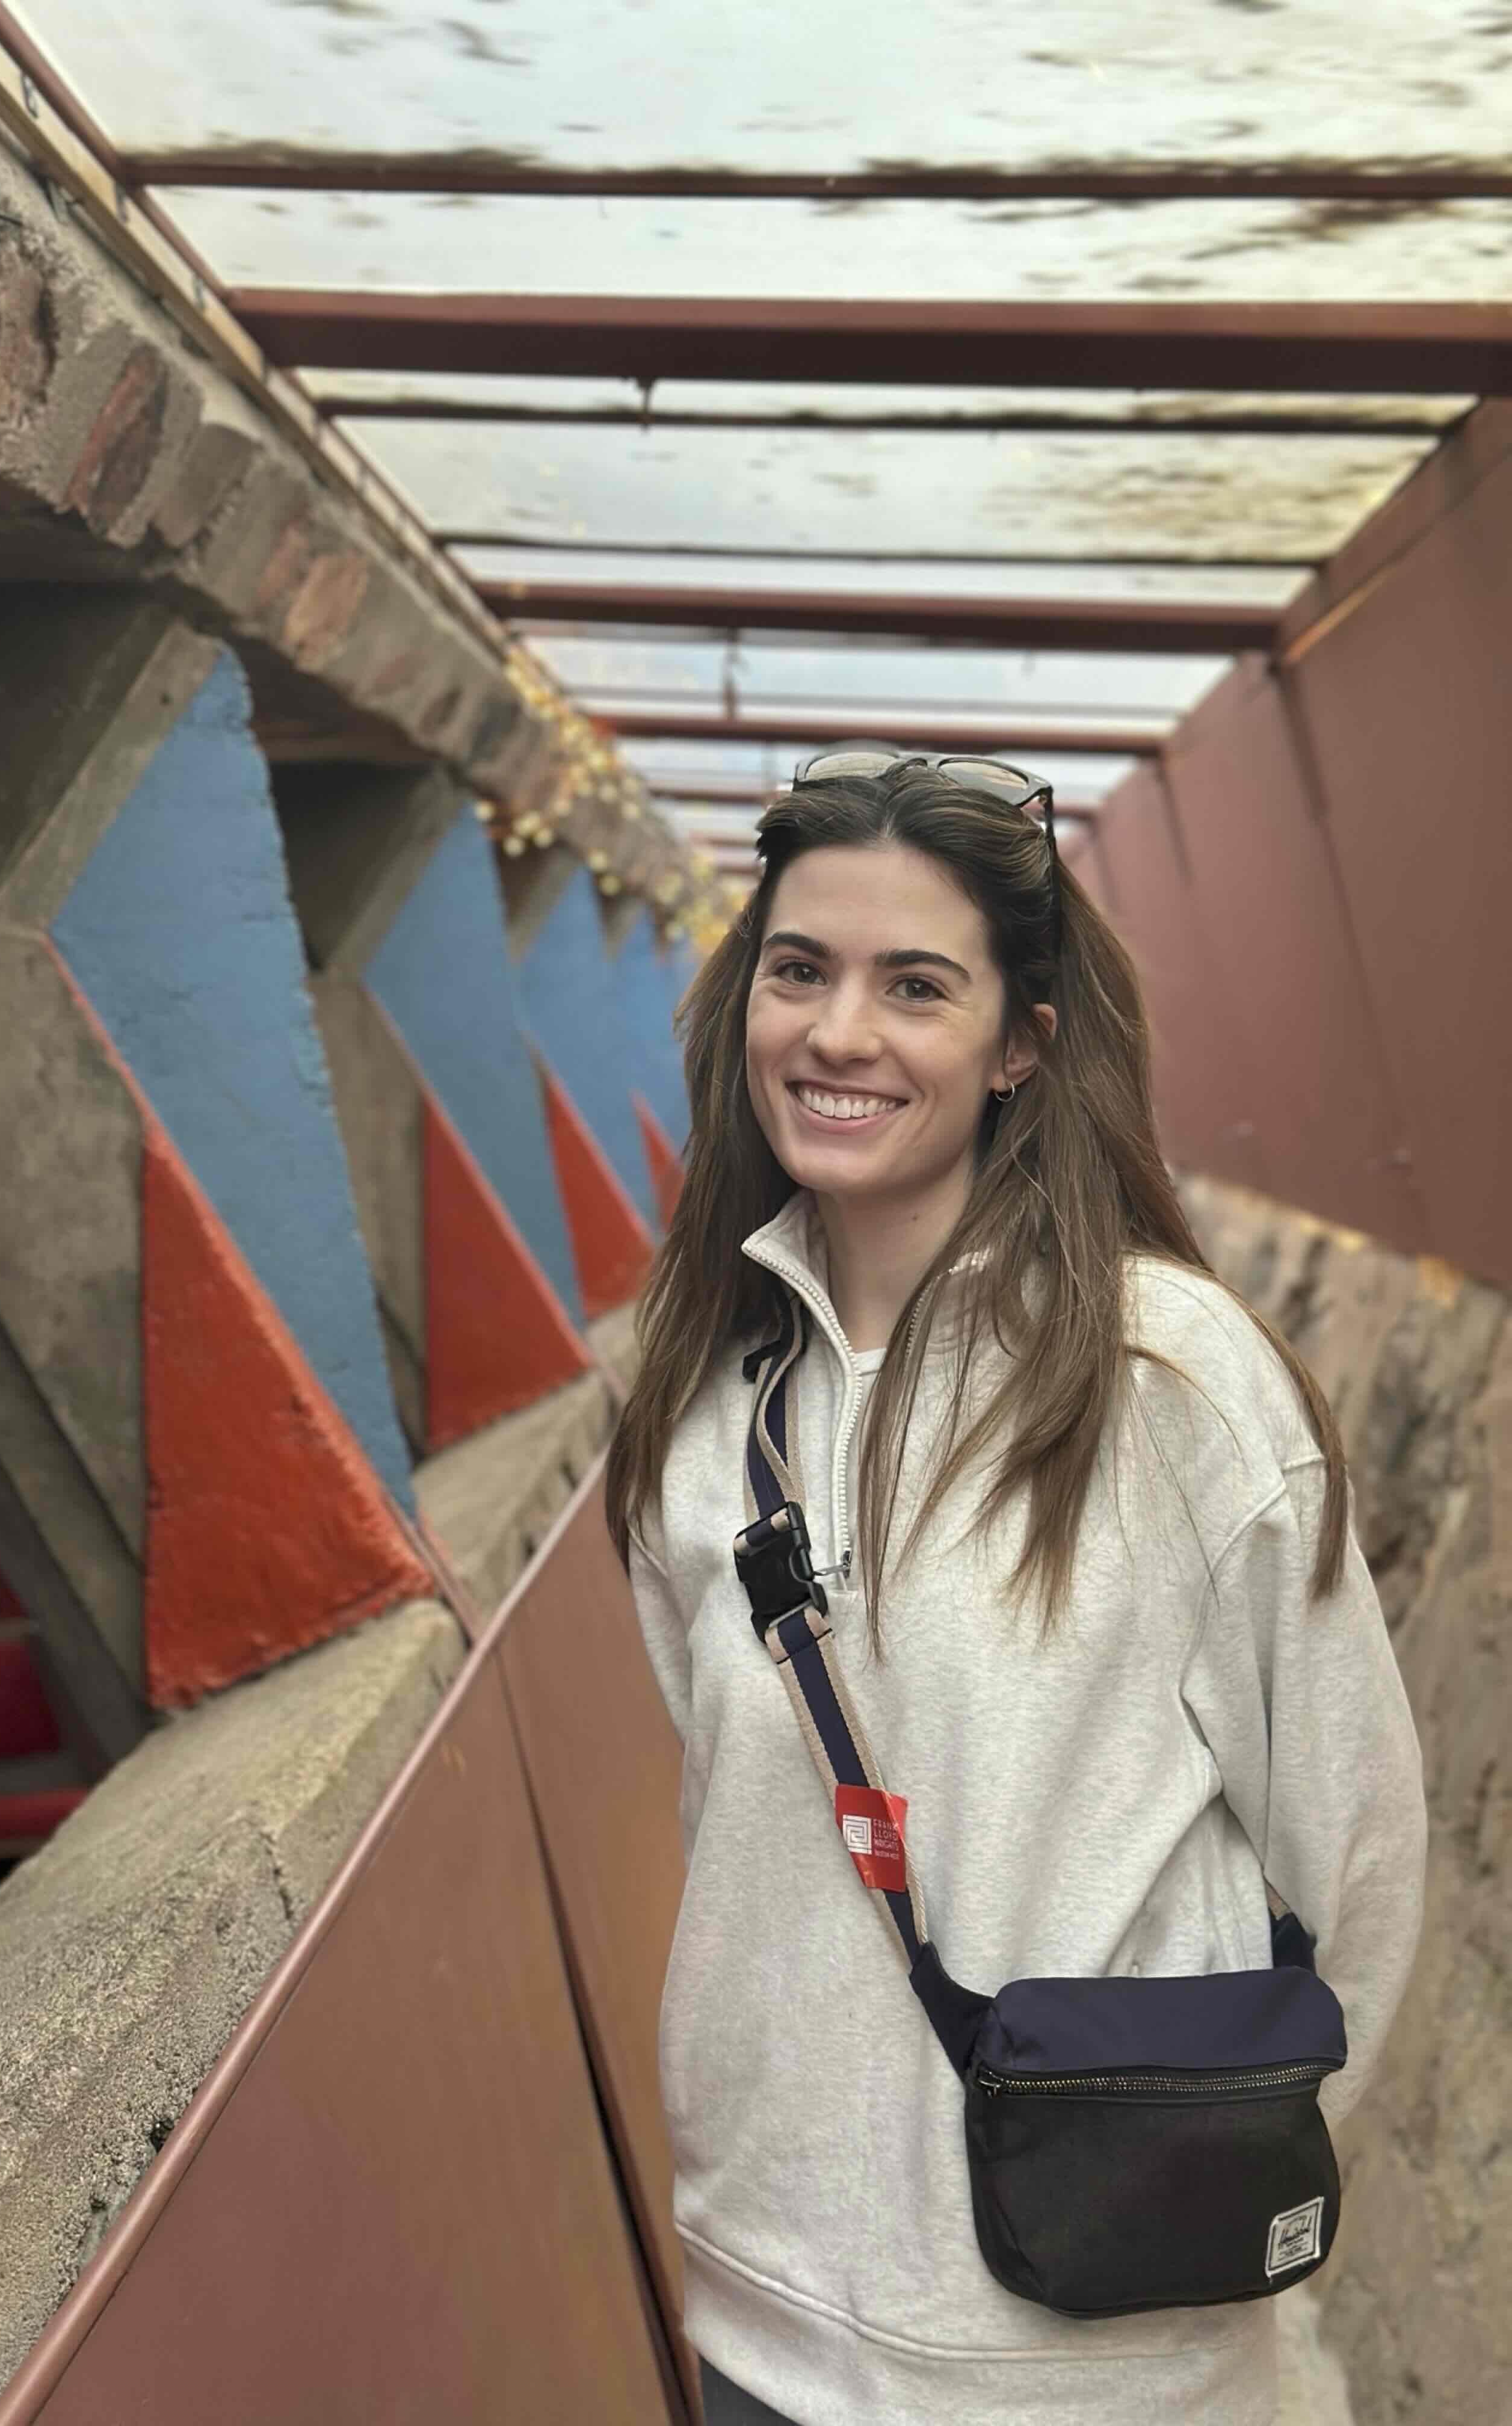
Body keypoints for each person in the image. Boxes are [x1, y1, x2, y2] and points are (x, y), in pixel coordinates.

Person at [606, 750, 1427, 2426]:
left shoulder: (1168, 1381)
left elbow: (1352, 1849)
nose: (840, 1033)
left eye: (916, 986)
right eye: (799, 969)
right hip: (765, 2309)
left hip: (1102, 2348)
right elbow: (735, 1808)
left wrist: (1196, 2180)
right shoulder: (702, 1408)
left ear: (1021, 1045)